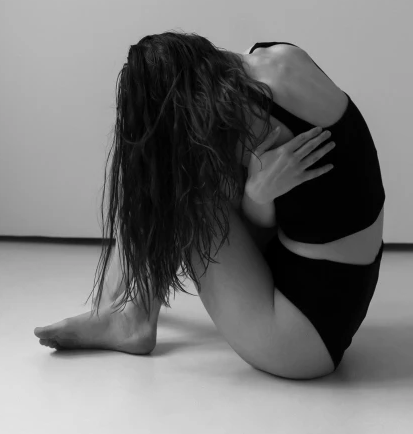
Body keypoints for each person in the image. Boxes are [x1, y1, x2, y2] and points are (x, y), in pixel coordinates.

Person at [34, 34, 386, 379]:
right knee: (166, 161)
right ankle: (119, 308)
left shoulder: (256, 124)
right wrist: (256, 193)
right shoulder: (273, 57)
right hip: (337, 301)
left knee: (167, 174)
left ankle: (131, 319)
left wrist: (257, 195)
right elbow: (296, 210)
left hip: (299, 340)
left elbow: (262, 214)